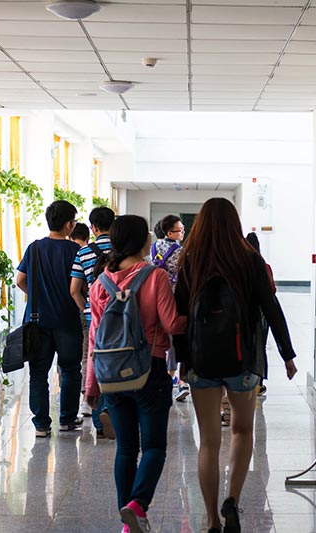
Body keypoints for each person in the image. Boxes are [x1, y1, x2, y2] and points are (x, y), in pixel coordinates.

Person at [174, 198, 298, 533]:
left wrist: (182, 360)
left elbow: (180, 317)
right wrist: (287, 353)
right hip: (243, 360)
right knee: (243, 430)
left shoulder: (190, 260)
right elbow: (271, 308)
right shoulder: (248, 259)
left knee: (209, 441)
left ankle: (212, 520)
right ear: (235, 223)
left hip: (201, 361)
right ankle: (232, 499)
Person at [84, 215, 186, 533]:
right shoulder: (153, 276)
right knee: (154, 447)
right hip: (149, 372)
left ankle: (127, 523)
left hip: (111, 374)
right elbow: (171, 324)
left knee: (126, 448)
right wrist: (192, 320)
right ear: (143, 241)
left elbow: (95, 336)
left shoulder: (100, 282)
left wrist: (91, 385)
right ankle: (137, 505)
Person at [17, 200, 83, 438]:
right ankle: (66, 420)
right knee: (71, 370)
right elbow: (80, 287)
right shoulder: (76, 251)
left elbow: (20, 280)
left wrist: (35, 296)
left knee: (38, 372)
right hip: (67, 320)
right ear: (68, 224)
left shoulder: (34, 248)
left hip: (38, 321)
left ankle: (41, 425)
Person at [70, 206, 115, 438]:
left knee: (93, 365)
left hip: (93, 317)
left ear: (93, 228)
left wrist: (86, 308)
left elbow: (74, 290)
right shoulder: (124, 251)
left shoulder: (84, 253)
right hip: (121, 317)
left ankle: (98, 419)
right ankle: (116, 413)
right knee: (119, 362)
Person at [151, 215, 189, 402]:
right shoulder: (181, 252)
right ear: (169, 233)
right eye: (180, 230)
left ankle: (158, 374)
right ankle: (175, 377)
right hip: (174, 297)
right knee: (175, 338)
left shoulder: (153, 248)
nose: (183, 232)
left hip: (155, 296)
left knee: (156, 335)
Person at [245, 231, 275, 398]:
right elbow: (272, 290)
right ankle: (259, 383)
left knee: (247, 345)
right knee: (260, 346)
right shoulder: (264, 266)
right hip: (263, 313)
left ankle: (246, 379)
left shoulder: (240, 264)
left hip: (247, 312)